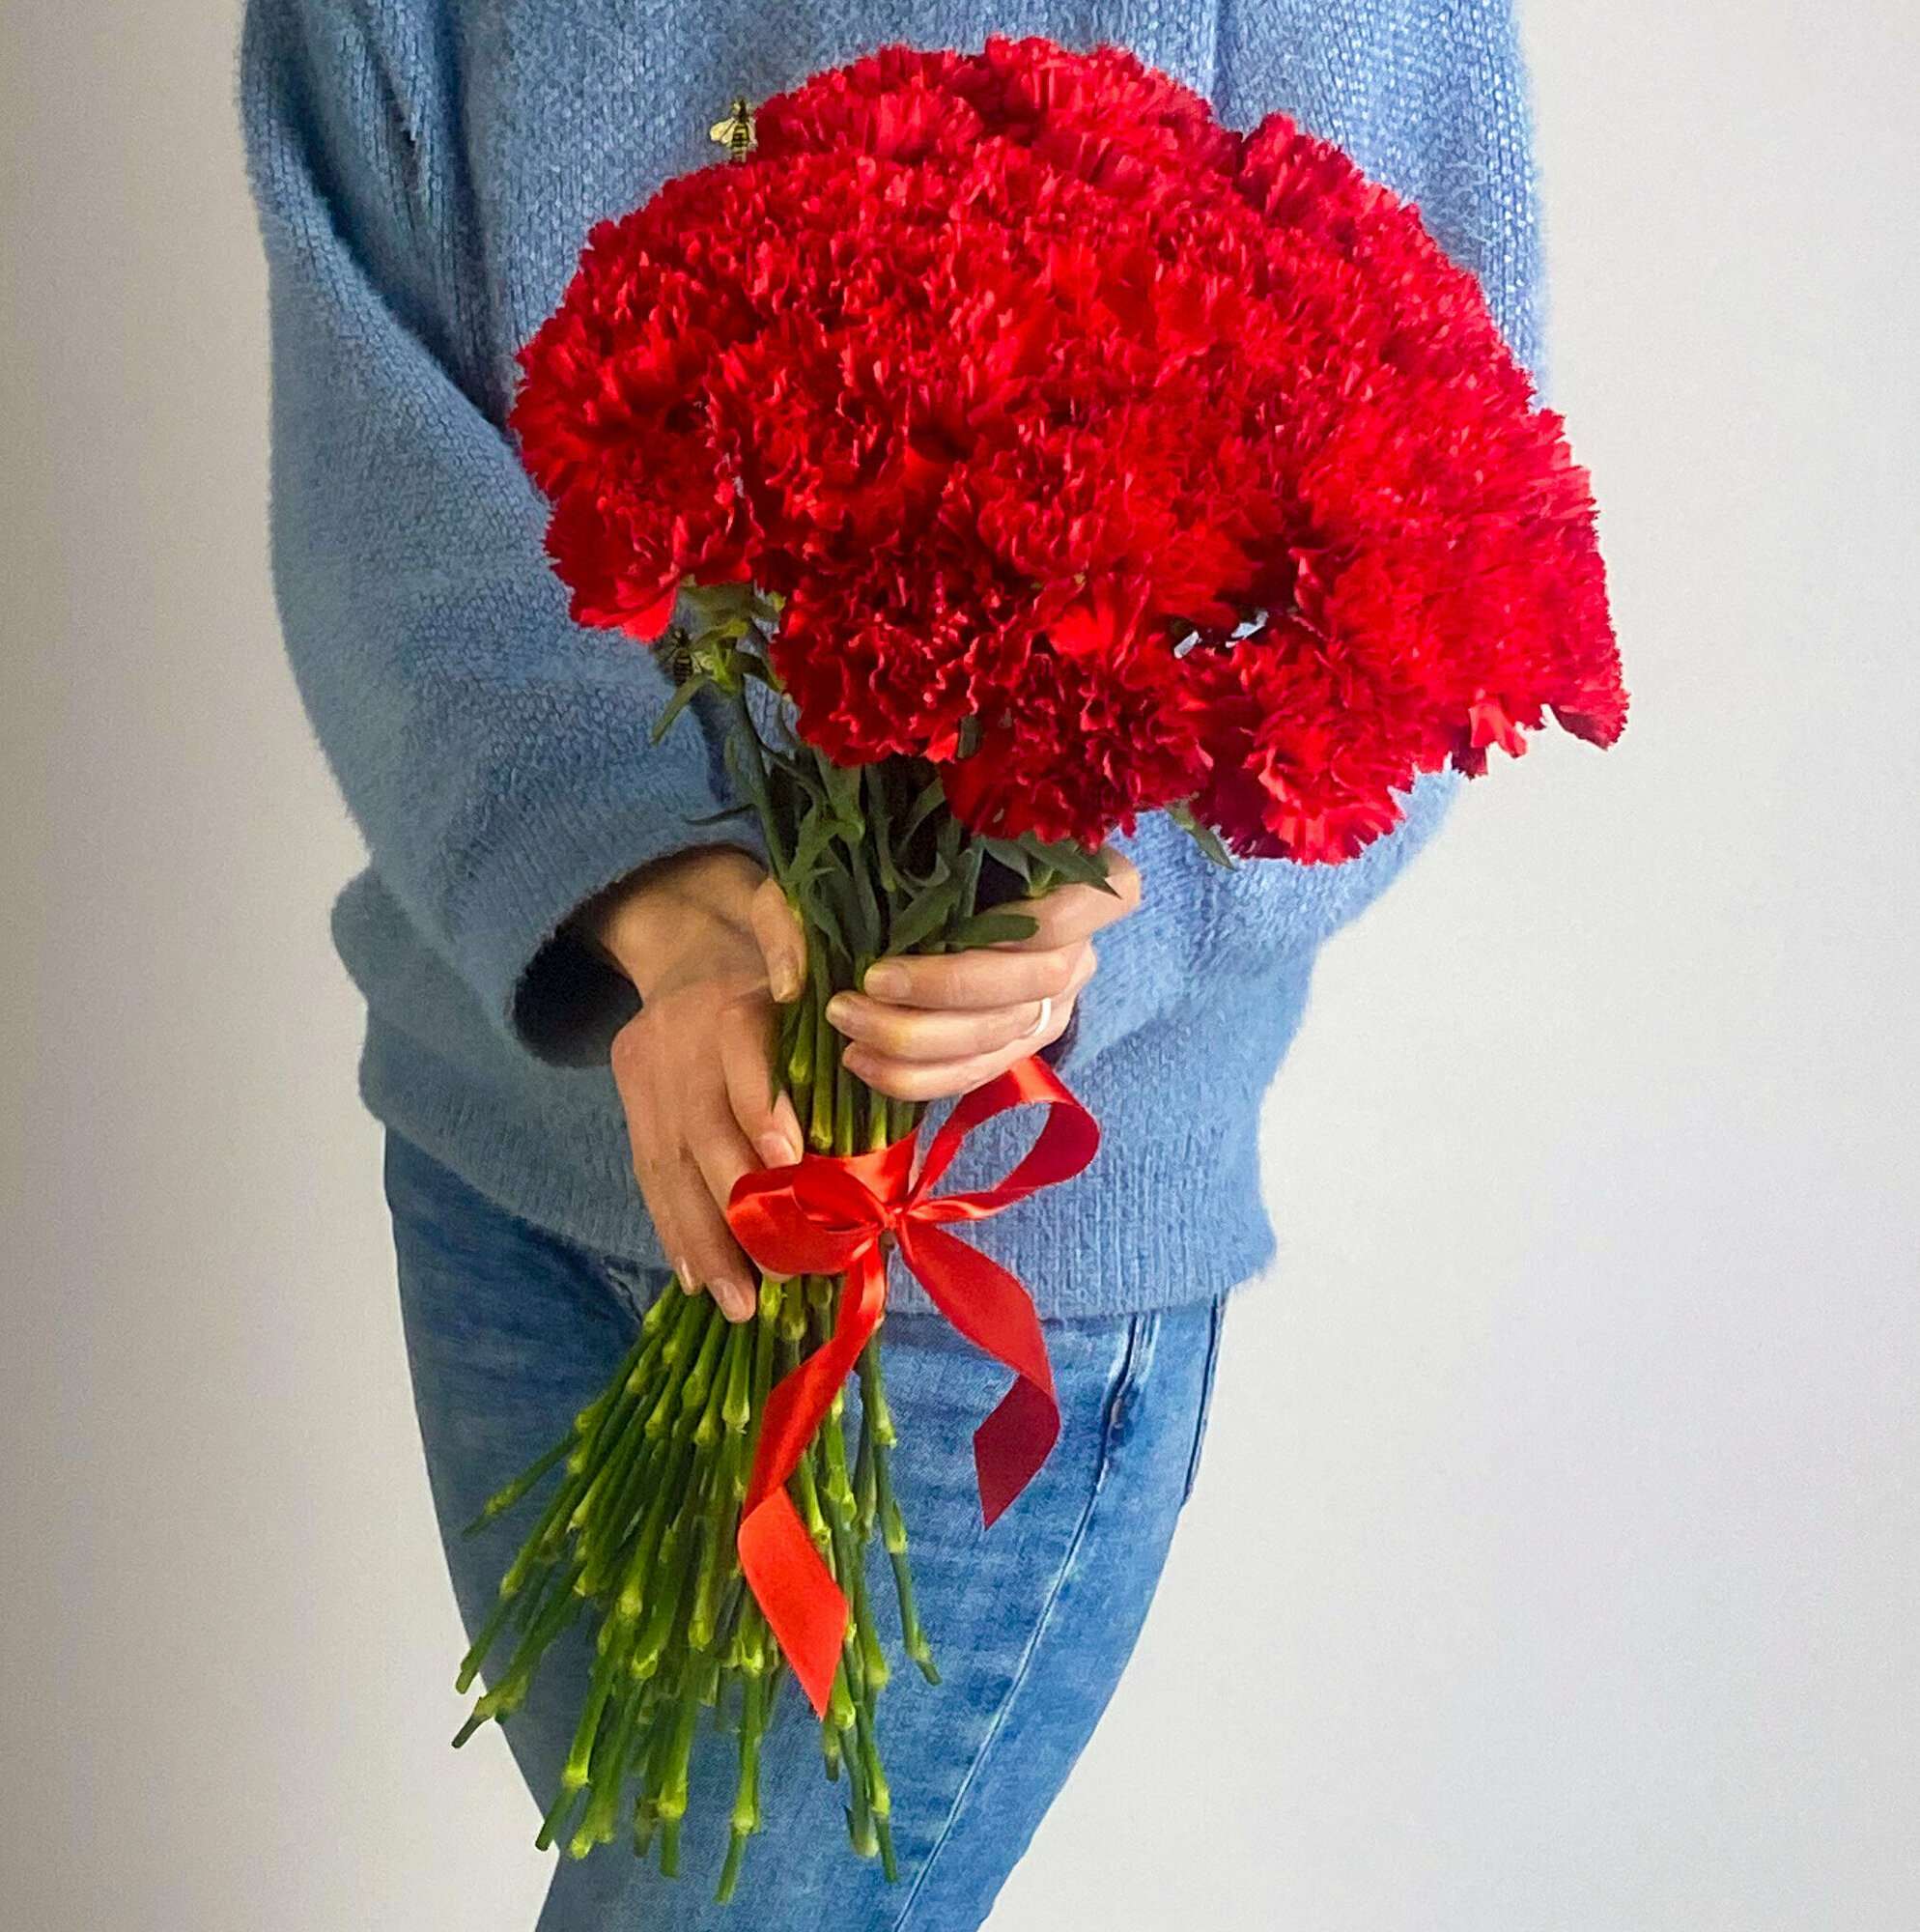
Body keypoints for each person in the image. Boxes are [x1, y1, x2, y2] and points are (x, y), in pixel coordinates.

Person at [240, 4, 1543, 1925]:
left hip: (968, 1223)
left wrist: (1079, 899)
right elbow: (370, 421)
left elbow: (1433, 494)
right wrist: (643, 889)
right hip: (514, 1164)